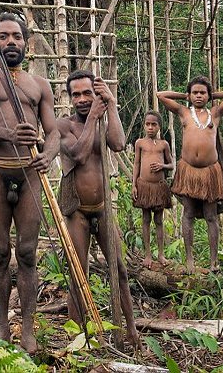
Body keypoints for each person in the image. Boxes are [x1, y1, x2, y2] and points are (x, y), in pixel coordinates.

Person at [0, 12, 59, 353]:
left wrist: (48, 154)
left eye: (16, 37)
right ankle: (3, 328)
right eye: (3, 37)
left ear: (26, 43)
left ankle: (29, 329)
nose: (10, 42)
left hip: (29, 172)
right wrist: (7, 133)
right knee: (0, 253)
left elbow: (53, 133)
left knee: (29, 252)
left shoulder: (39, 85)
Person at [58, 70, 140, 348]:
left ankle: (131, 330)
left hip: (103, 208)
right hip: (77, 211)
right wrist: (93, 115)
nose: (82, 99)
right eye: (76, 94)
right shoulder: (64, 126)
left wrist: (112, 105)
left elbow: (117, 144)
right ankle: (78, 336)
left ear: (96, 94)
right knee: (78, 273)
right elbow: (79, 155)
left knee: (120, 269)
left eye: (87, 93)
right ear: (70, 98)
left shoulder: (104, 121)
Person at [156, 77, 223, 272]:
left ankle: (213, 263)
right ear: (189, 95)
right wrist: (184, 96)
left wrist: (213, 95)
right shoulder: (184, 112)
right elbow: (161, 95)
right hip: (188, 171)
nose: (199, 96)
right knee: (188, 214)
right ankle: (189, 261)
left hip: (210, 172)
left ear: (208, 95)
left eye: (203, 93)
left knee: (211, 215)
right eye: (195, 92)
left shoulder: (215, 113)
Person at [131, 110, 174, 268]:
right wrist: (134, 184)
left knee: (159, 220)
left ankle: (161, 255)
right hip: (144, 186)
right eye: (147, 124)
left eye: (153, 124)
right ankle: (148, 255)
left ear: (159, 127)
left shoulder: (164, 144)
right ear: (144, 126)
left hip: (159, 187)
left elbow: (171, 164)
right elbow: (136, 164)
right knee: (146, 219)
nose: (150, 127)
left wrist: (162, 166)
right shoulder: (139, 143)